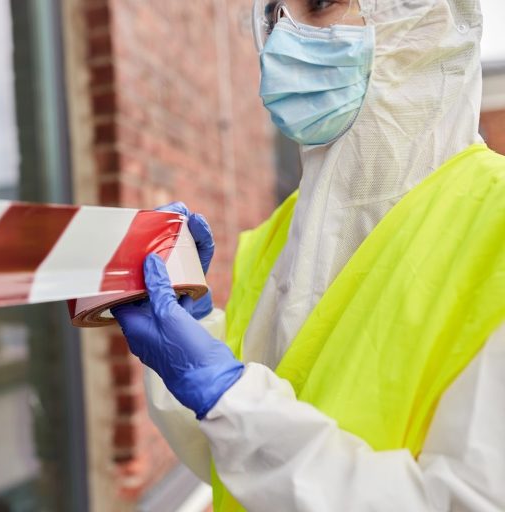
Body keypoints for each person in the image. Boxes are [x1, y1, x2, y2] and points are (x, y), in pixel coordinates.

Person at [111, 0, 505, 510]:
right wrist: (197, 343)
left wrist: (230, 399)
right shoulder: (281, 235)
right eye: (273, 15)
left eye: (319, 3)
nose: (281, 38)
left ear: (423, 16)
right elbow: (231, 462)